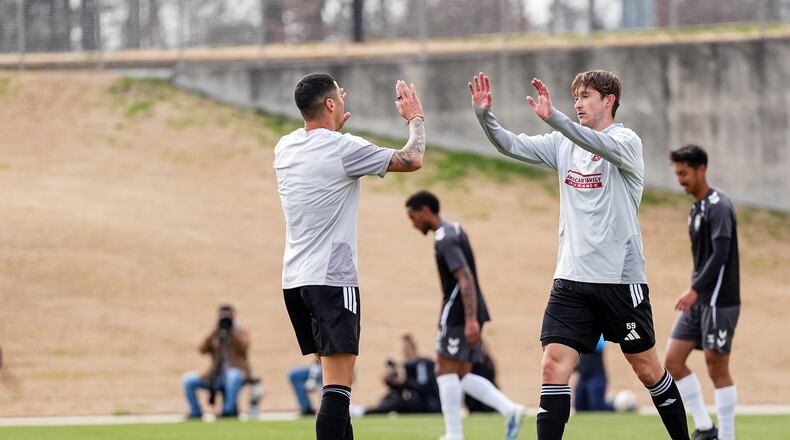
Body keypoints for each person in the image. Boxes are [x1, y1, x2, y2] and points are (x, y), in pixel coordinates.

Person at [468, 70, 689, 439]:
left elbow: (595, 144)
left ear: (609, 101)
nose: (579, 103)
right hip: (571, 280)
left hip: (620, 281)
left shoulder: (626, 141)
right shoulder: (562, 143)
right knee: (552, 368)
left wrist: (556, 116)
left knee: (648, 371)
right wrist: (483, 116)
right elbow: (510, 144)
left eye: (586, 96)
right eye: (576, 98)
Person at [275, 72, 426, 440]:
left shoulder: (285, 147)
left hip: (296, 282)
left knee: (334, 386)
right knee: (338, 389)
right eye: (338, 99)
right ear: (330, 104)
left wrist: (334, 129)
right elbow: (413, 159)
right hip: (333, 281)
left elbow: (322, 151)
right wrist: (415, 119)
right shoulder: (344, 149)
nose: (343, 102)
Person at [405, 190, 525, 440]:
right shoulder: (456, 229)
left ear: (426, 211)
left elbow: (465, 277)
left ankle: (454, 434)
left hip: (459, 313)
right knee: (460, 374)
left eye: (413, 217)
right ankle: (510, 409)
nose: (413, 224)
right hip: (472, 310)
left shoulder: (444, 238)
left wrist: (469, 320)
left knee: (444, 371)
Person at [664, 144, 740, 440]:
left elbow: (721, 254)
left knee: (716, 367)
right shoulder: (697, 207)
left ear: (701, 170)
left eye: (684, 173)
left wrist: (695, 290)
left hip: (720, 300)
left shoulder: (719, 205)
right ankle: (706, 428)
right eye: (677, 174)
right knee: (672, 360)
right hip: (700, 300)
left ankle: (727, 436)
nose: (680, 179)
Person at [181, 304, 251, 419]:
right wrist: (214, 330)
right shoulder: (215, 334)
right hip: (215, 374)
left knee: (233, 376)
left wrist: (233, 330)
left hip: (235, 374)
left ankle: (228, 411)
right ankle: (195, 412)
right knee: (188, 379)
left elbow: (244, 347)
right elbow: (202, 349)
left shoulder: (241, 332)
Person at [365, 334, 441, 415]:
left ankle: (366, 412)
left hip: (429, 404)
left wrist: (404, 382)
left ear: (412, 349)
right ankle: (367, 411)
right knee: (387, 399)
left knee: (399, 403)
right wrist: (391, 382)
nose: (404, 353)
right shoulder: (408, 365)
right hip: (416, 401)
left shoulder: (423, 364)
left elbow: (423, 387)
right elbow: (402, 389)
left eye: (406, 350)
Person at [574, 335, 614, 412]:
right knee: (579, 407)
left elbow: (599, 345)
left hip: (596, 375)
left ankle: (618, 407)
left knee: (597, 407)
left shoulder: (597, 335)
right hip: (583, 376)